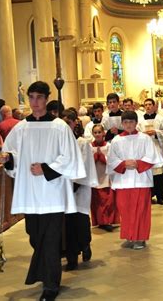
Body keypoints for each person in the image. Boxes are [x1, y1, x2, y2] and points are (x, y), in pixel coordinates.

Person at [0, 81, 86, 301]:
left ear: (46, 99)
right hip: (30, 192)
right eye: (31, 97)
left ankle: (50, 286)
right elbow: (12, 154)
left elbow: (70, 158)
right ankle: (44, 272)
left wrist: (46, 168)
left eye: (39, 97)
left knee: (51, 239)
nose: (35, 102)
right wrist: (8, 159)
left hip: (53, 191)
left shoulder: (59, 127)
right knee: (35, 237)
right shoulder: (21, 128)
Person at [107, 111, 163, 250]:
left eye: (131, 122)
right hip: (123, 180)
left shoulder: (144, 138)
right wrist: (124, 164)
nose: (128, 125)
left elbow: (152, 156)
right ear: (122, 123)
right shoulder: (116, 140)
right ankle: (129, 236)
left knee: (140, 210)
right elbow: (111, 159)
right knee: (125, 210)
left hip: (141, 179)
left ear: (136, 123)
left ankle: (140, 238)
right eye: (125, 122)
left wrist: (138, 163)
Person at [60, 109, 98, 271]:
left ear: (75, 123)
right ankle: (71, 257)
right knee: (66, 225)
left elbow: (84, 165)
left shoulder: (82, 142)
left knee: (80, 221)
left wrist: (73, 183)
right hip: (62, 190)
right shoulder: (58, 143)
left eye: (69, 123)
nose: (66, 126)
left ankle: (85, 244)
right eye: (63, 123)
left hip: (79, 188)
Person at [137, 98, 163, 205]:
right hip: (145, 150)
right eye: (146, 105)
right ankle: (149, 195)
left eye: (150, 104)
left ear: (154, 106)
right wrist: (143, 135)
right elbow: (136, 132)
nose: (148, 106)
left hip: (157, 148)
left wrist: (156, 133)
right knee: (147, 173)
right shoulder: (140, 119)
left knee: (159, 173)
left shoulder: (160, 118)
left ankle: (160, 196)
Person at [90, 124, 119, 231]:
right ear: (93, 134)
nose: (97, 134)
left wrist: (102, 157)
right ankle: (100, 221)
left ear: (104, 133)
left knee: (108, 200)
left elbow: (113, 160)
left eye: (99, 132)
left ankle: (108, 220)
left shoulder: (108, 146)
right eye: (95, 132)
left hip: (106, 176)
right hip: (95, 176)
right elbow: (87, 162)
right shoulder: (89, 146)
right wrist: (94, 158)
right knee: (97, 200)